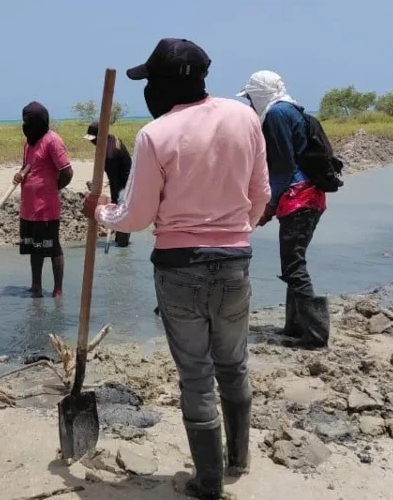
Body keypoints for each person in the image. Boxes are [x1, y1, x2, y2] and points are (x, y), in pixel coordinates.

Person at [85, 38, 270, 500]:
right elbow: (261, 195)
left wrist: (100, 211)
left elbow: (136, 217)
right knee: (234, 364)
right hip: (235, 262)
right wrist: (233, 234)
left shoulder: (156, 135)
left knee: (196, 375)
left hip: (179, 267)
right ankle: (238, 460)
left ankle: (208, 482)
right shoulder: (244, 118)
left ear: (162, 86)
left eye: (149, 81)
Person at [237, 70, 329, 349]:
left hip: (297, 197)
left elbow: (283, 167)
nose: (250, 104)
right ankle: (295, 326)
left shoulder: (277, 114)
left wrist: (268, 205)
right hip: (309, 196)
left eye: (250, 98)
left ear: (260, 94)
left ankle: (316, 334)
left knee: (293, 265)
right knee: (293, 262)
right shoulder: (292, 110)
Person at [16, 101, 73, 298]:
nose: (25, 126)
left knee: (52, 247)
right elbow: (27, 167)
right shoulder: (29, 143)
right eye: (24, 122)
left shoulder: (52, 141)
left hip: (46, 208)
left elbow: (67, 172)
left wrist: (50, 189)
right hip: (28, 208)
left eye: (29, 122)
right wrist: (19, 175)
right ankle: (36, 286)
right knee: (35, 247)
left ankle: (58, 290)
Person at [84, 122, 132, 247]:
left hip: (124, 184)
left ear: (100, 136)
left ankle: (122, 245)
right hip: (124, 178)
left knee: (121, 211)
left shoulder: (110, 154)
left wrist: (114, 199)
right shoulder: (111, 139)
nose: (91, 142)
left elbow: (114, 180)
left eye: (93, 139)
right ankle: (121, 241)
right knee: (122, 211)